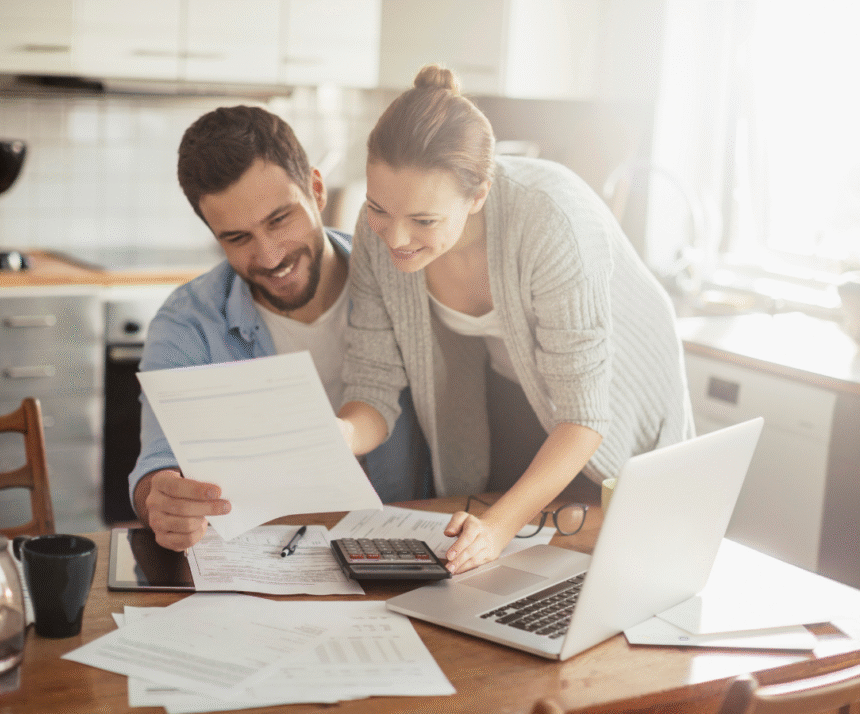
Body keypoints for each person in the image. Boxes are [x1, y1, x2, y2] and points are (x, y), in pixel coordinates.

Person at [337, 65, 694, 575]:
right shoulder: (379, 233)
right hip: (514, 375)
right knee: (506, 553)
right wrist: (339, 435)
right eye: (378, 209)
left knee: (610, 546)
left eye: (424, 220)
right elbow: (372, 386)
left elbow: (583, 417)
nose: (393, 238)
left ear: (478, 194)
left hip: (616, 388)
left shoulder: (552, 221)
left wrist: (499, 527)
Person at [130, 105, 431, 552]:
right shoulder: (187, 322)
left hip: (405, 549)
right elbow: (158, 463)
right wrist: (164, 499)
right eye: (237, 238)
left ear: (316, 188)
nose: (270, 257)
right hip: (264, 560)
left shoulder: (400, 279)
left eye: (279, 220)